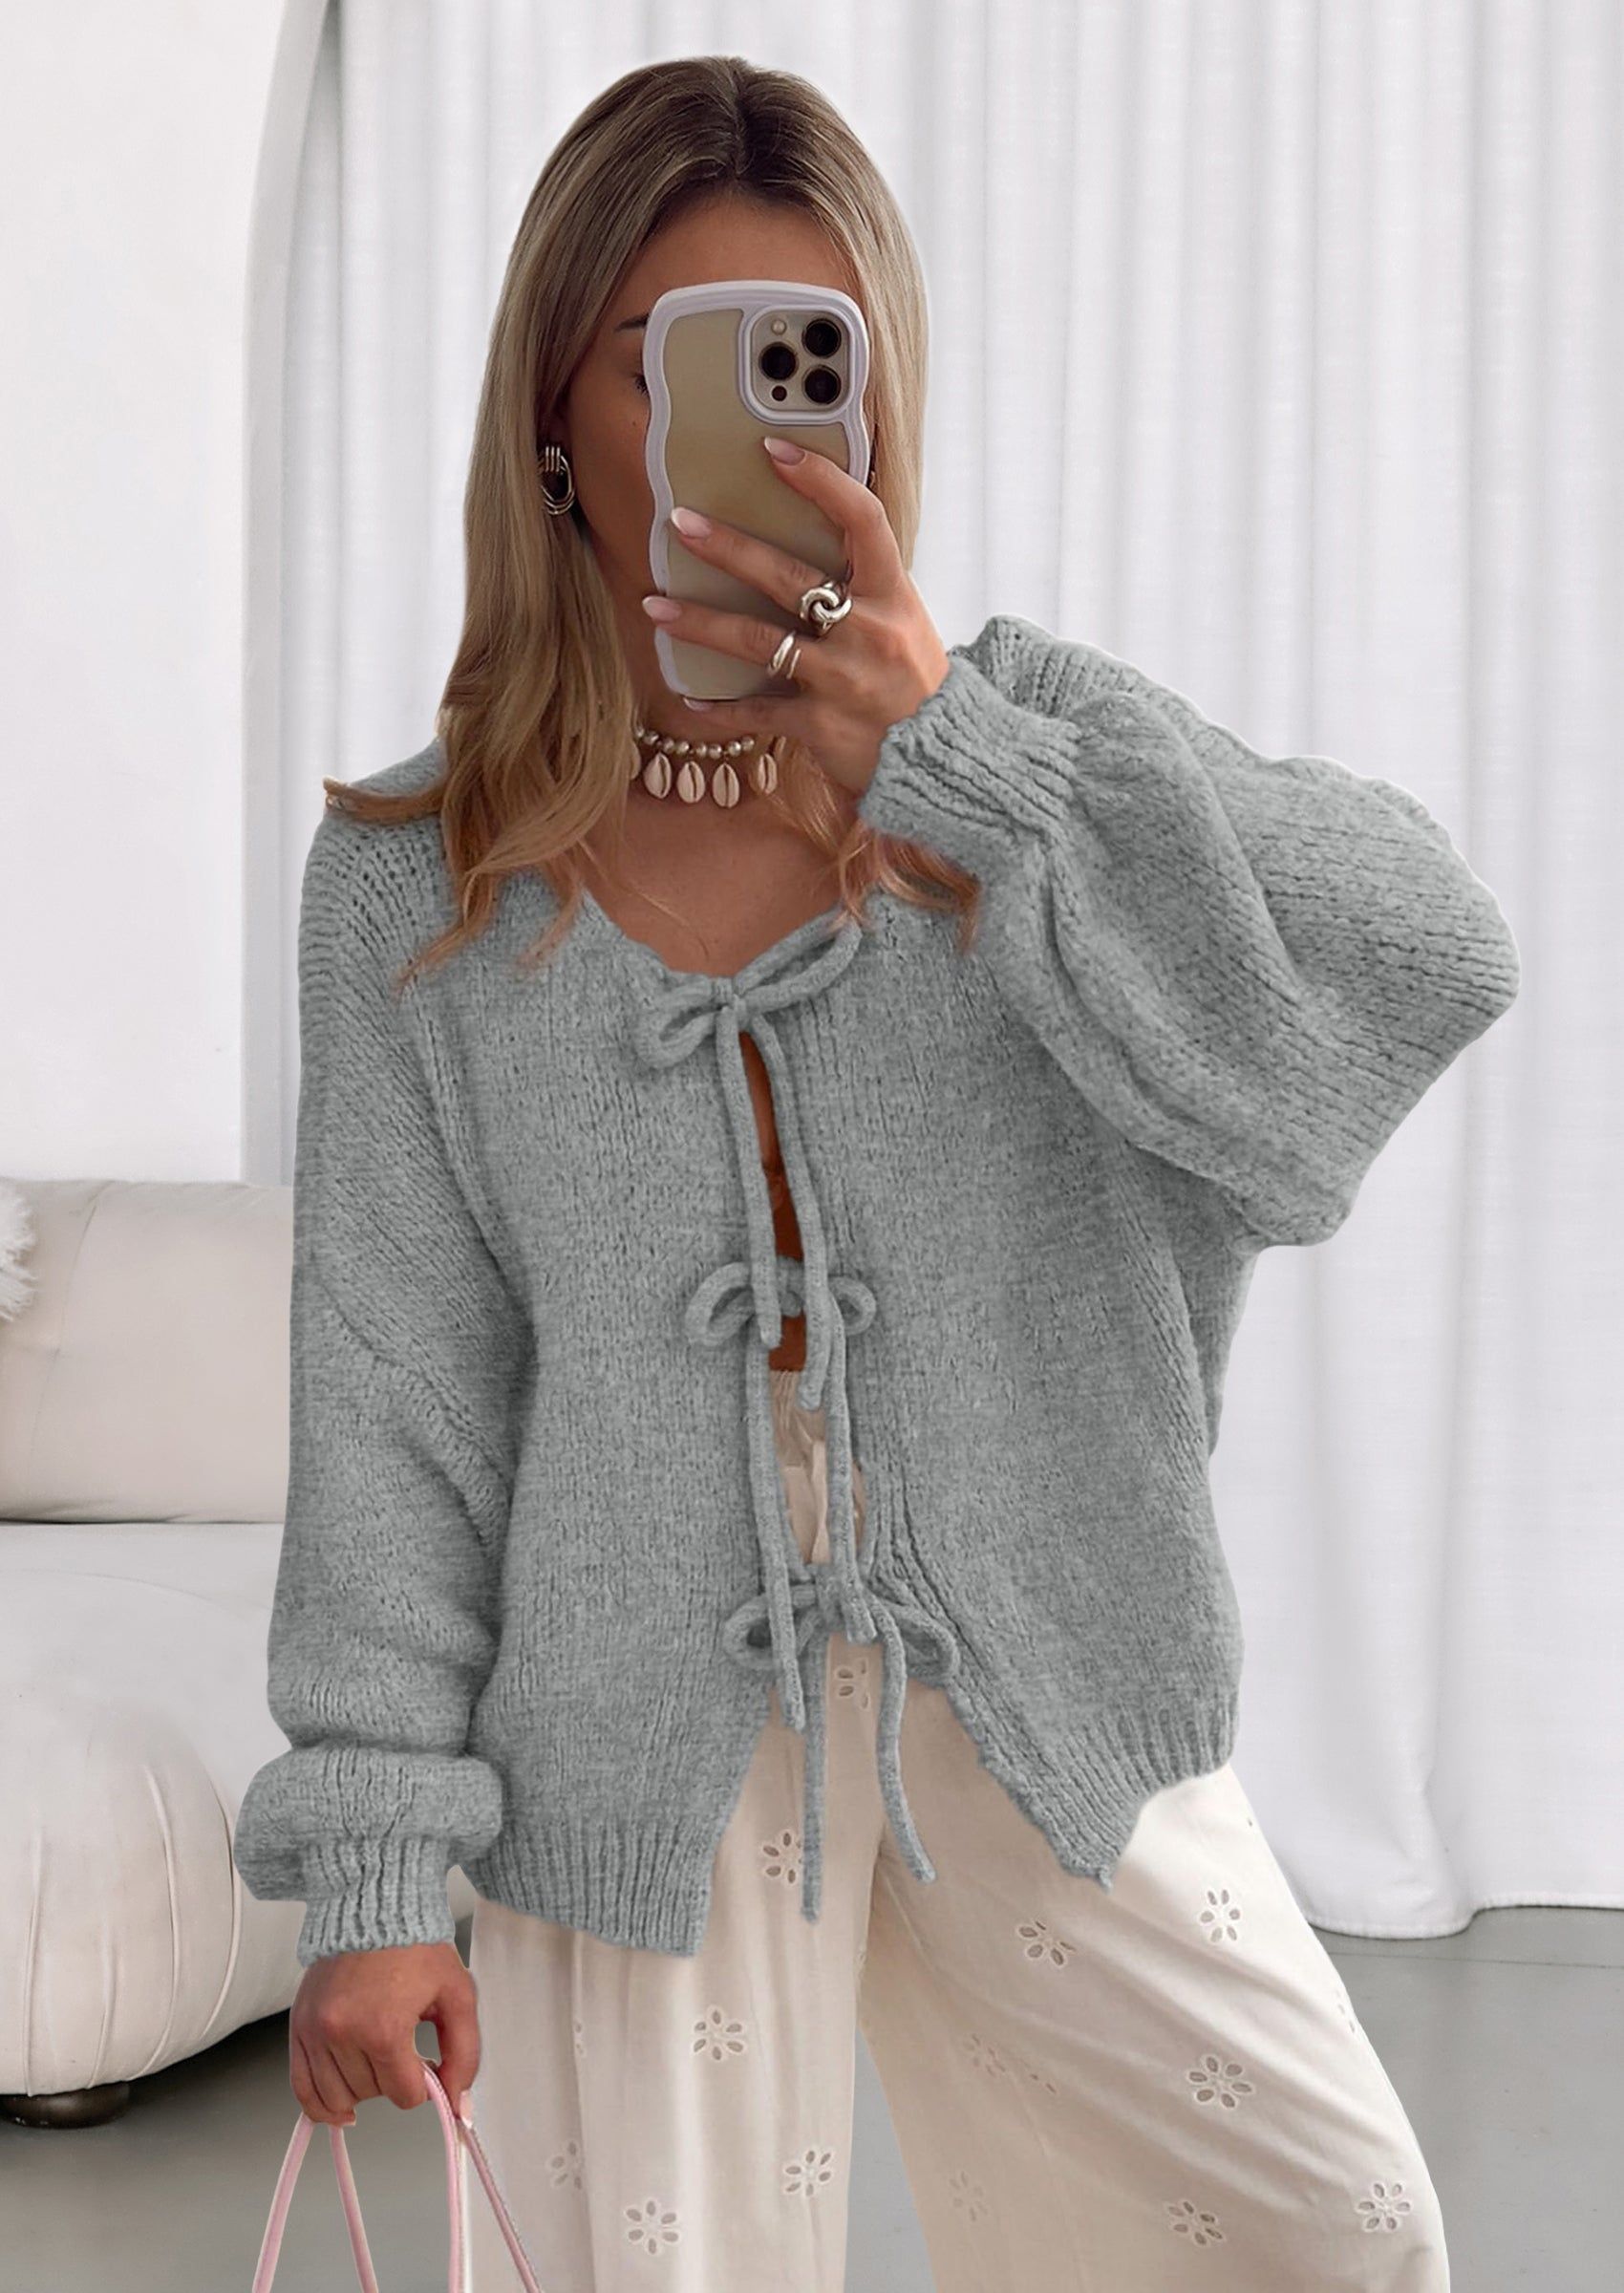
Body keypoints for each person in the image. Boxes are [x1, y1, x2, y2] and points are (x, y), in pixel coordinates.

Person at [234, 54, 1519, 2293]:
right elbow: (397, 1404)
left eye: (808, 359)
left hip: (1041, 1681)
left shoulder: (1022, 748)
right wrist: (375, 1873)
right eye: (674, 360)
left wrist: (976, 778)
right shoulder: (415, 884)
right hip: (634, 1746)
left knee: (1332, 2232)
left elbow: (1426, 958)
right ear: (558, 416)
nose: (758, 432)